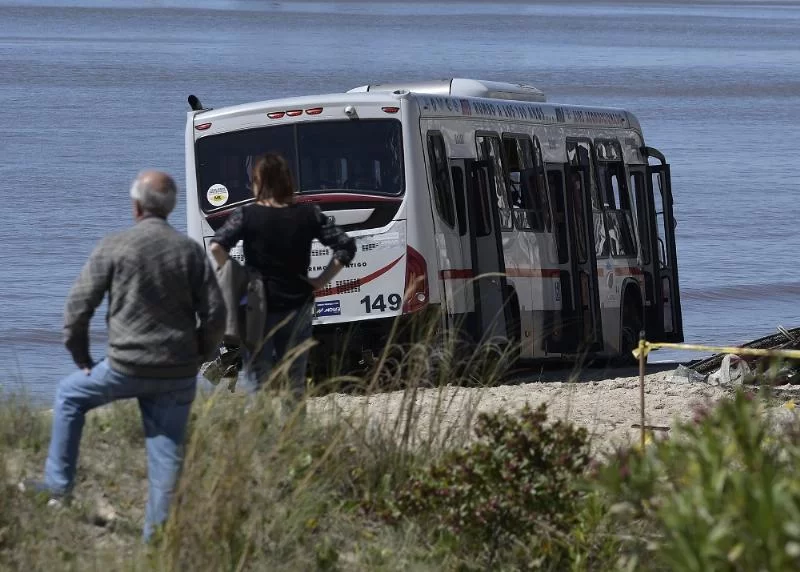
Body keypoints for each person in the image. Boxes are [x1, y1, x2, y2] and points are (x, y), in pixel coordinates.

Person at [20, 171, 226, 542]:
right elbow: (215, 315)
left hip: (123, 367)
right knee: (165, 455)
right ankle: (156, 541)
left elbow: (76, 310)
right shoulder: (190, 251)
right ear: (172, 207)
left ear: (135, 206)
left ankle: (57, 488)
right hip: (176, 373)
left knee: (69, 395)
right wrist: (198, 355)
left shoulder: (114, 245)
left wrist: (82, 358)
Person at [209, 153, 356, 398]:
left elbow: (217, 246)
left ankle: (264, 433)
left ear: (258, 181)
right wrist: (321, 280)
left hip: (258, 307)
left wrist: (239, 275)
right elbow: (346, 246)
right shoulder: (309, 214)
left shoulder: (246, 215)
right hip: (297, 305)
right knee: (295, 383)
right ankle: (295, 432)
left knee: (259, 382)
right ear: (288, 181)